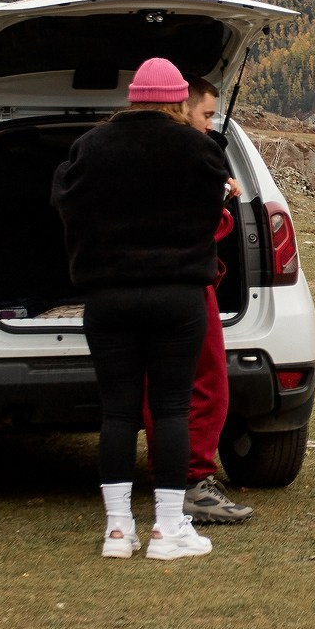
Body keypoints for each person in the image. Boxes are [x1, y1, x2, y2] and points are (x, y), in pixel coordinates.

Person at [51, 56, 230, 560]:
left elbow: (64, 200)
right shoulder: (199, 148)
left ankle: (117, 530)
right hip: (177, 296)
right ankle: (168, 529)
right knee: (171, 409)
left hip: (108, 296)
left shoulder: (91, 146)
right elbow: (212, 214)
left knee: (117, 411)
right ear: (178, 101)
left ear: (132, 98)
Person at [144, 76, 255, 527]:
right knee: (207, 382)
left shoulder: (130, 155)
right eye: (206, 114)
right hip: (188, 283)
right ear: (181, 108)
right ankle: (192, 480)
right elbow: (199, 228)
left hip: (130, 286)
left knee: (156, 385)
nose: (210, 124)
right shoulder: (192, 157)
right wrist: (223, 207)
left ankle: (169, 475)